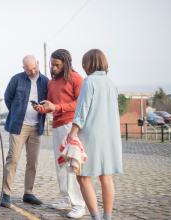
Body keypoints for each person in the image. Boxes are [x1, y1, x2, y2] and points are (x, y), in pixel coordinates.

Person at [67, 49, 123, 220]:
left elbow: (83, 110)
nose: (83, 66)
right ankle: (107, 217)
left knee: (83, 177)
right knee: (106, 177)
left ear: (90, 63)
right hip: (110, 136)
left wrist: (73, 132)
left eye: (84, 63)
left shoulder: (89, 81)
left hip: (91, 136)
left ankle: (96, 217)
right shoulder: (111, 84)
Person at [34, 49, 86, 218]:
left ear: (66, 63)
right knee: (60, 164)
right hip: (57, 125)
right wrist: (42, 108)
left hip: (71, 126)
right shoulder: (52, 82)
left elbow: (81, 103)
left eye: (57, 65)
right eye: (52, 64)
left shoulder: (76, 78)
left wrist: (56, 107)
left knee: (72, 164)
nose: (54, 68)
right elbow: (51, 104)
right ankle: (65, 198)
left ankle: (79, 205)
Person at [1, 55, 49, 208]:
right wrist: (17, 113)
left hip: (37, 127)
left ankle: (28, 193)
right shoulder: (16, 79)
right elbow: (7, 98)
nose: (32, 71)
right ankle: (6, 194)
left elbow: (49, 103)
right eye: (29, 70)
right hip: (18, 126)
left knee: (32, 162)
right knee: (13, 159)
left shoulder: (46, 82)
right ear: (23, 68)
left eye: (34, 68)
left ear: (38, 64)